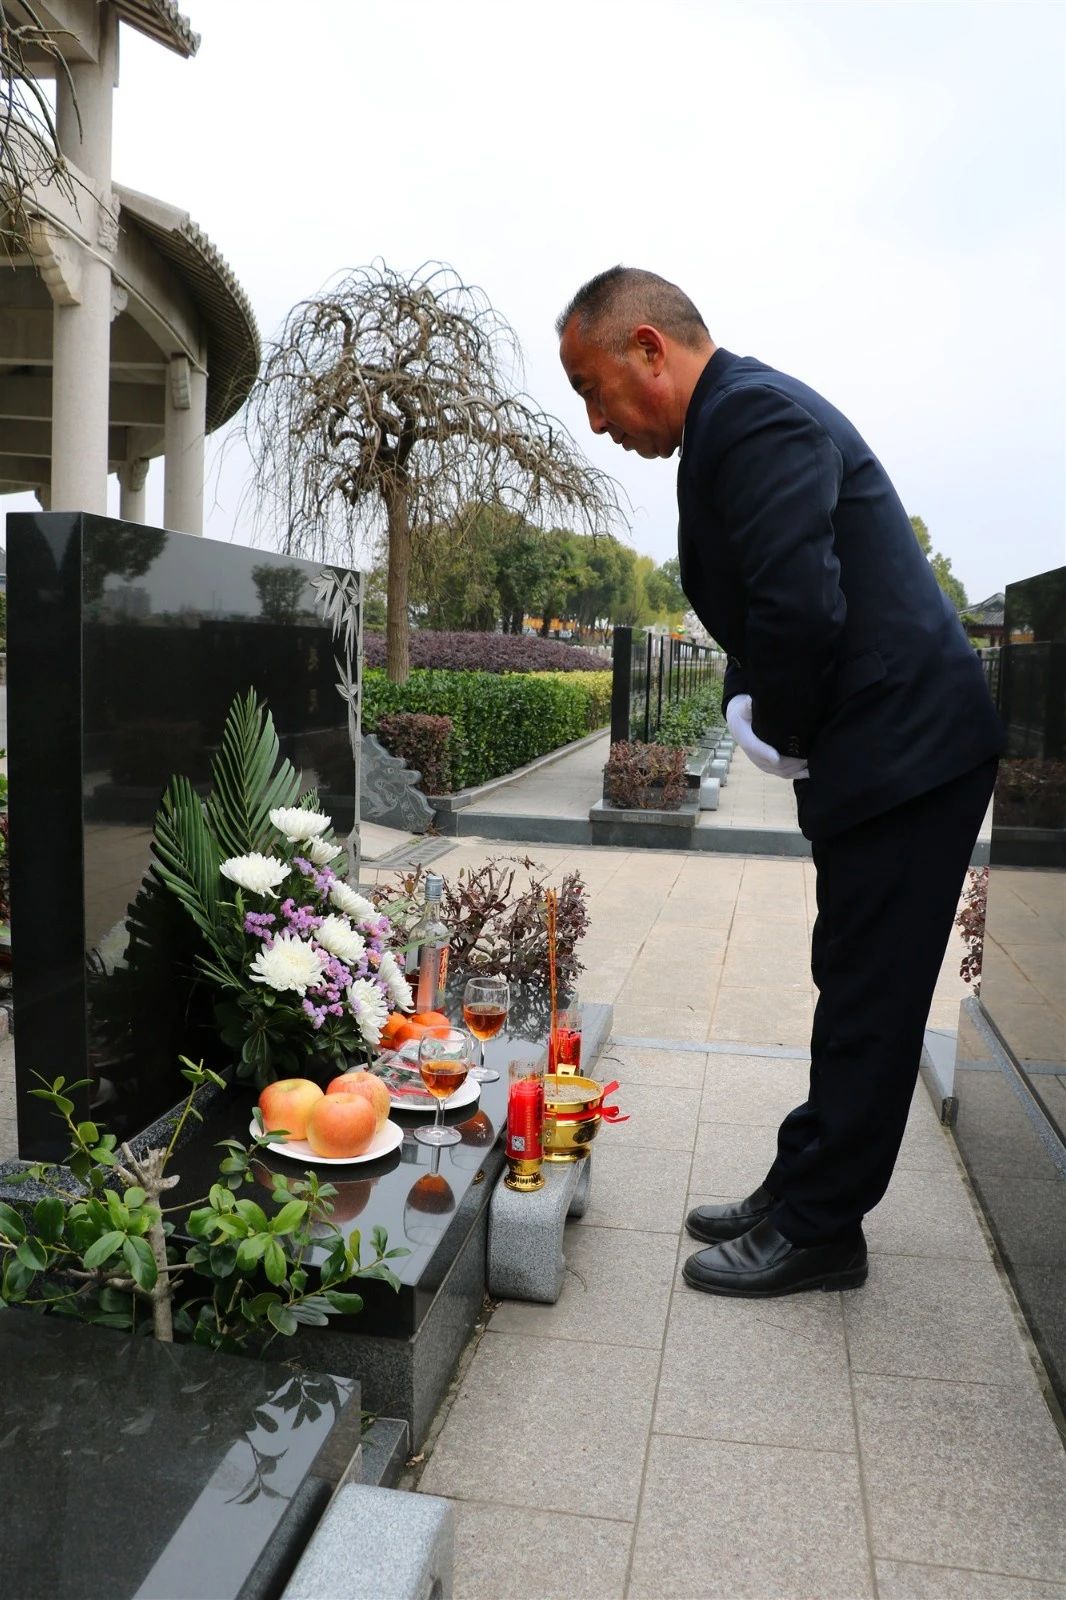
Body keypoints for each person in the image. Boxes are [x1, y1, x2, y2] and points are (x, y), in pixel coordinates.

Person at [557, 266, 1003, 1298]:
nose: (594, 420)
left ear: (648, 351)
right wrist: (762, 709)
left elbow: (800, 606)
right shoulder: (730, 421)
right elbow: (771, 600)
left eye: (593, 387)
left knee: (871, 989)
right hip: (887, 745)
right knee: (846, 969)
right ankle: (805, 1178)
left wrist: (781, 726)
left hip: (910, 749)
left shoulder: (750, 416)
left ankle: (821, 1229)